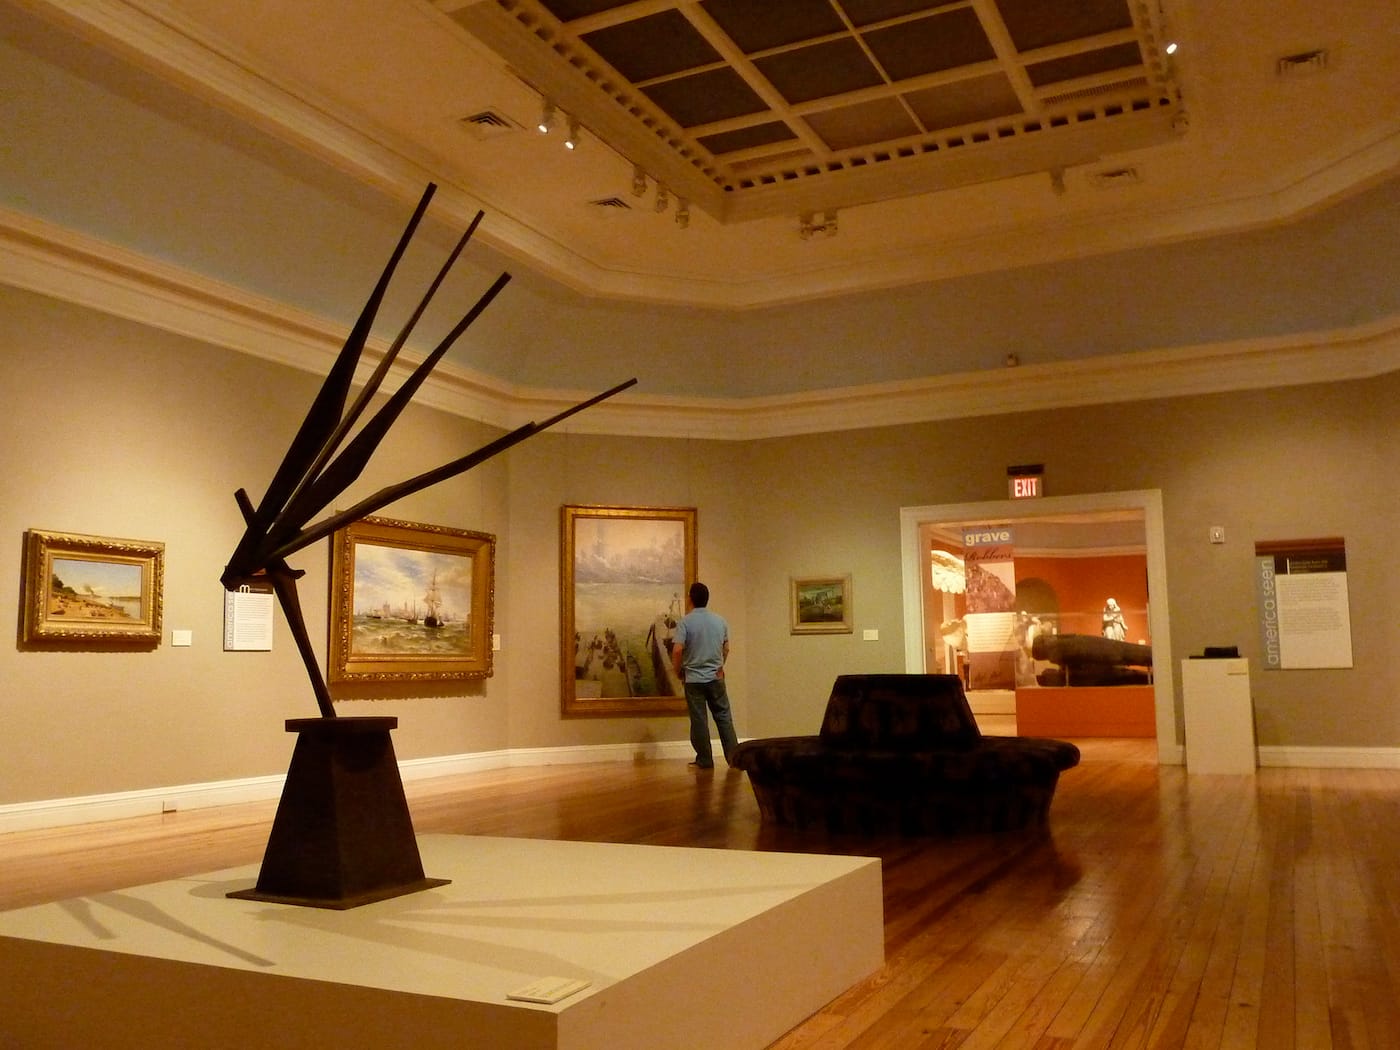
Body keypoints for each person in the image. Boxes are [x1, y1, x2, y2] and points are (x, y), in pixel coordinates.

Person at [671, 581, 739, 769]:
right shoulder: (720, 621)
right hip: (716, 678)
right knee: (724, 717)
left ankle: (705, 759)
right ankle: (734, 759)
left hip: (693, 680)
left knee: (699, 720)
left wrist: (678, 671)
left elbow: (677, 651)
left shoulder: (685, 622)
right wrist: (720, 666)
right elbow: (726, 648)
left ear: (691, 598)